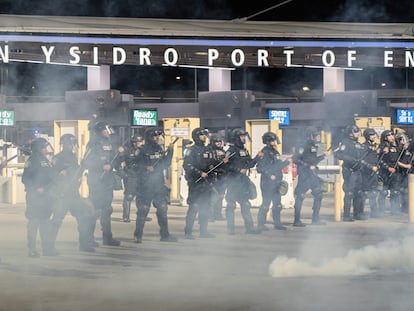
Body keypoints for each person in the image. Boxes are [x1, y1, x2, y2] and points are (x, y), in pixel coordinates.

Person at [49, 134, 96, 253]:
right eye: (70, 144)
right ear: (64, 144)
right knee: (56, 221)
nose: (72, 146)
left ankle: (84, 244)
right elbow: (51, 175)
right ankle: (48, 247)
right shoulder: (58, 158)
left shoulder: (73, 157)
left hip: (73, 194)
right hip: (62, 194)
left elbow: (76, 175)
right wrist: (60, 174)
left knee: (84, 217)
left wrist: (82, 168)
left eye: (73, 144)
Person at [134, 128, 177, 243]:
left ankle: (165, 235)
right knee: (143, 209)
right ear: (149, 137)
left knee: (162, 209)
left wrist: (171, 151)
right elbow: (134, 165)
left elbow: (165, 163)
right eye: (155, 136)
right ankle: (138, 235)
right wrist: (145, 168)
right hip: (145, 184)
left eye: (158, 136)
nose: (157, 138)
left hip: (158, 183)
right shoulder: (141, 150)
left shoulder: (159, 149)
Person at [84, 121, 123, 246]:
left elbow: (115, 161)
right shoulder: (93, 144)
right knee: (94, 210)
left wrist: (121, 153)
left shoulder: (110, 144)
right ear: (100, 131)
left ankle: (107, 238)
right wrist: (101, 166)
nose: (108, 132)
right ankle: (88, 239)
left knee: (107, 210)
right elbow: (86, 162)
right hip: (96, 180)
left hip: (107, 181)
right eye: (106, 130)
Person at [22, 137, 56, 257]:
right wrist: (35, 188)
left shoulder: (46, 160)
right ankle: (32, 249)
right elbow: (25, 178)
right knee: (34, 222)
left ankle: (46, 248)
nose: (46, 149)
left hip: (46, 197)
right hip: (35, 196)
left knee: (45, 222)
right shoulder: (32, 160)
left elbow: (50, 176)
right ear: (38, 148)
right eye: (44, 147)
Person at [335, 125, 376, 221]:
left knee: (359, 192)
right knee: (349, 193)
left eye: (358, 131)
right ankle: (346, 215)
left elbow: (363, 155)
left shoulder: (358, 144)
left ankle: (358, 213)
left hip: (358, 171)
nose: (358, 133)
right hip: (350, 170)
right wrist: (353, 160)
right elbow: (339, 154)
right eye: (356, 132)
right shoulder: (346, 143)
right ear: (350, 133)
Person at [224, 128, 261, 235]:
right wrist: (238, 170)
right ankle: (230, 229)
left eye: (244, 136)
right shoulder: (231, 150)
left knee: (245, 204)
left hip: (242, 181)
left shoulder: (244, 150)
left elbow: (249, 164)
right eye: (242, 136)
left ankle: (249, 228)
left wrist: (257, 158)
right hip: (233, 181)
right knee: (231, 205)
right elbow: (226, 165)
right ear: (236, 138)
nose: (244, 138)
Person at [183, 128, 217, 239]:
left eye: (205, 135)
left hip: (207, 183)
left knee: (205, 207)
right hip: (195, 183)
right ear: (196, 136)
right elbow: (187, 165)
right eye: (202, 135)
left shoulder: (208, 149)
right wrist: (199, 173)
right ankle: (188, 232)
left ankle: (204, 231)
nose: (204, 137)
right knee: (194, 206)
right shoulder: (191, 150)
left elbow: (212, 163)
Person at [256, 131, 292, 231]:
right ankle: (260, 224)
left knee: (277, 204)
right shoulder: (264, 152)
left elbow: (277, 166)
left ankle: (277, 223)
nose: (275, 142)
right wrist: (269, 175)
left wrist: (286, 163)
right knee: (265, 204)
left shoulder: (275, 152)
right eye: (273, 140)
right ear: (269, 141)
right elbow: (260, 168)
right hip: (267, 182)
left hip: (276, 181)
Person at [292, 127, 327, 226]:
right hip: (304, 174)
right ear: (310, 136)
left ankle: (315, 219)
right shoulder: (302, 145)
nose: (317, 137)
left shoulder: (316, 146)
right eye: (315, 135)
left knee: (318, 194)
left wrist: (322, 156)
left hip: (312, 174)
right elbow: (295, 159)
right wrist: (307, 165)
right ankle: (297, 220)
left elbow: (314, 160)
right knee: (300, 196)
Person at [377, 130, 404, 215]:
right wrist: (387, 167)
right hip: (385, 172)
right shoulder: (382, 147)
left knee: (395, 192)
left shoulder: (395, 147)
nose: (392, 137)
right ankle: (381, 211)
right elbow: (379, 160)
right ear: (385, 137)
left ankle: (394, 210)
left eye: (393, 135)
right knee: (383, 192)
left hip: (395, 172)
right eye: (389, 135)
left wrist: (403, 148)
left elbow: (400, 157)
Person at [120, 133, 145, 223]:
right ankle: (126, 216)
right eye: (135, 142)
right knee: (129, 196)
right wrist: (122, 173)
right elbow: (118, 161)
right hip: (130, 175)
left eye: (139, 142)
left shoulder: (144, 150)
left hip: (141, 175)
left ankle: (142, 215)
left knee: (142, 196)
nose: (137, 143)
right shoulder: (127, 150)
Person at [361, 128, 381, 218]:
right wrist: (370, 167)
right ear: (367, 136)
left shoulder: (374, 146)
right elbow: (361, 160)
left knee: (373, 192)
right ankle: (360, 212)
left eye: (374, 135)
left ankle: (374, 211)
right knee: (364, 193)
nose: (374, 136)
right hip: (366, 172)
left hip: (374, 172)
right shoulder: (364, 146)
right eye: (371, 135)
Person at [208, 134, 227, 221]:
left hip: (222, 176)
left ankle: (218, 214)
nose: (219, 143)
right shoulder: (209, 151)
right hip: (213, 176)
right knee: (212, 197)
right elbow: (210, 163)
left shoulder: (223, 151)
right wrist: (221, 162)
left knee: (220, 196)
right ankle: (210, 215)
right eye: (217, 141)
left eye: (220, 141)